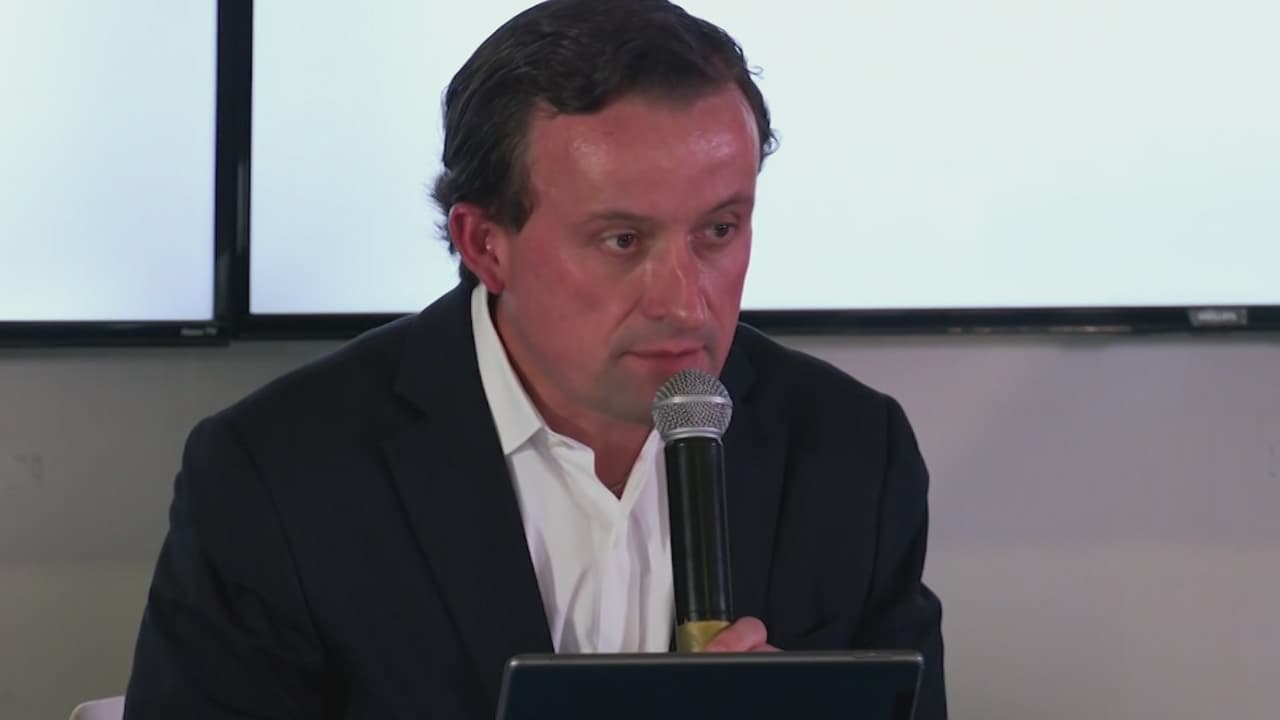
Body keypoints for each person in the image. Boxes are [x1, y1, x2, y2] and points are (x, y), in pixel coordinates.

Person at [123, 0, 946, 718]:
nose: (686, 303)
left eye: (719, 230)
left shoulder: (855, 454)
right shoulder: (278, 476)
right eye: (622, 240)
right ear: (486, 244)